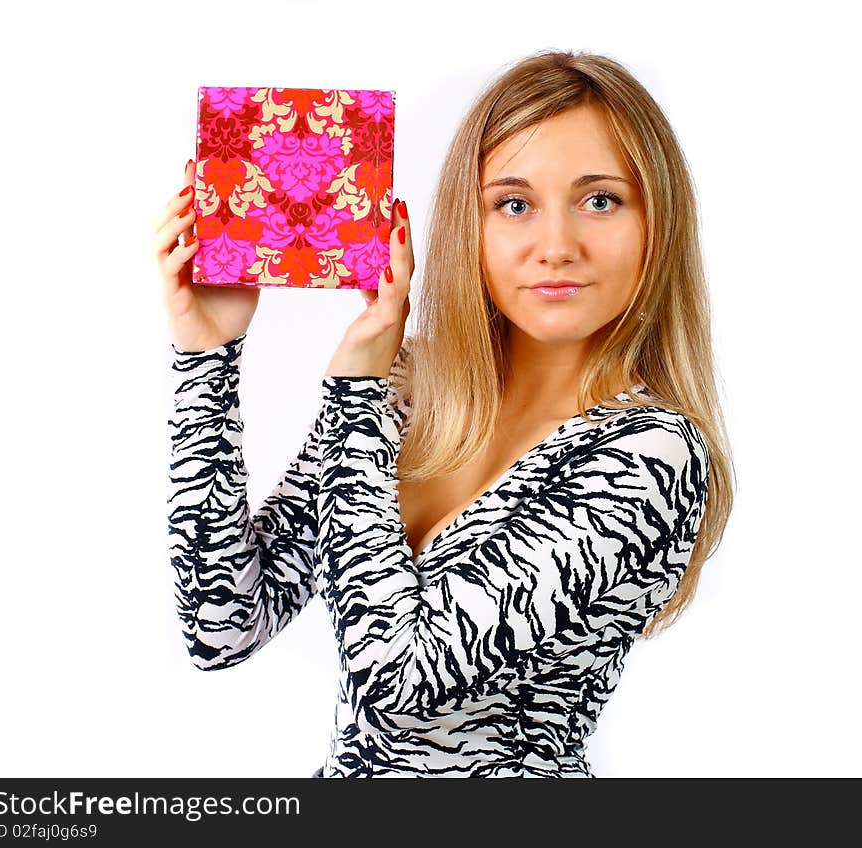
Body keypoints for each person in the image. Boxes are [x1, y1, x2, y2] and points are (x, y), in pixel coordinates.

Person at [153, 49, 733, 778]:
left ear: (659, 222)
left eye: (600, 200)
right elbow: (222, 625)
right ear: (473, 225)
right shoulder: (409, 390)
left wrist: (354, 397)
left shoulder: (651, 454)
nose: (556, 247)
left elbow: (402, 680)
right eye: (514, 204)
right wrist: (208, 358)